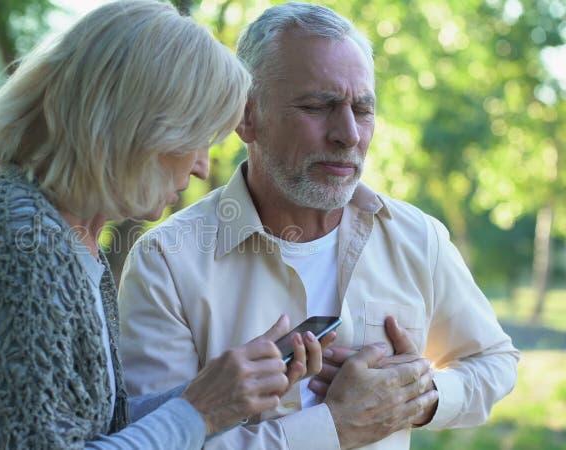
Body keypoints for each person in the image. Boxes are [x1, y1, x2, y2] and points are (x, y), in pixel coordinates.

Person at [0, 1, 328, 449]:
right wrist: (199, 411)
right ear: (139, 128)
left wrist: (227, 397)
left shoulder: (65, 234)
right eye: (196, 138)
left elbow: (92, 427)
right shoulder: (18, 248)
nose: (203, 168)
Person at [117, 2, 520, 449]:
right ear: (245, 117)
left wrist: (416, 396)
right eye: (317, 106)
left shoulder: (417, 236)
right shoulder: (167, 262)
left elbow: (493, 360)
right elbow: (155, 442)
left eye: (363, 110)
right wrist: (337, 427)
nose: (348, 134)